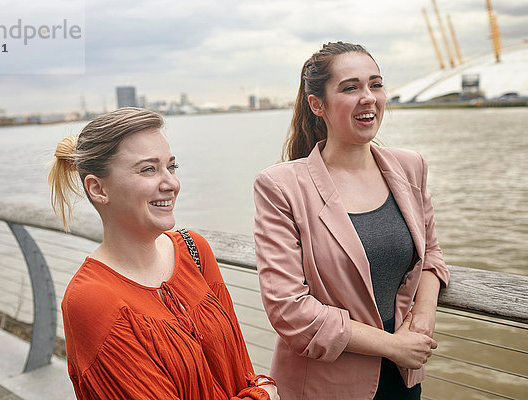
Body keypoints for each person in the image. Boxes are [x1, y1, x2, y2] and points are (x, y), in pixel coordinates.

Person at [253, 42, 450, 399]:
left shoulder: (410, 166)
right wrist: (391, 345)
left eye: (375, 84)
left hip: (405, 376)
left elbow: (431, 255)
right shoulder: (280, 187)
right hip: (326, 385)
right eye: (350, 87)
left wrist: (423, 319)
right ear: (317, 105)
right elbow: (288, 309)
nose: (368, 97)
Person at [49, 107, 278, 400]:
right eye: (148, 169)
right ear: (98, 189)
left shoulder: (194, 250)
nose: (171, 183)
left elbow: (240, 369)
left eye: (171, 166)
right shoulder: (92, 300)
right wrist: (265, 396)